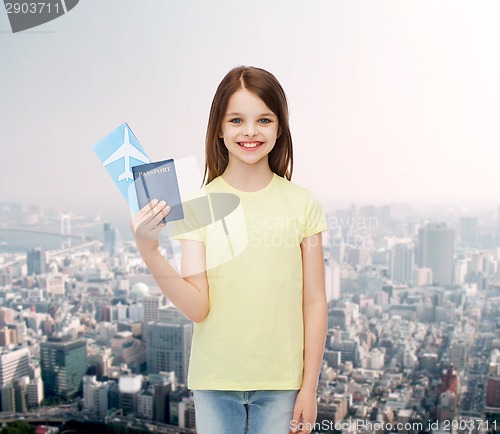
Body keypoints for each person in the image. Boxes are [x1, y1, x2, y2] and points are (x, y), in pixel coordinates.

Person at [131, 66, 328, 434]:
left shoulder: (303, 205)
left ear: (280, 128)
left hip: (283, 381)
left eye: (263, 119)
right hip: (214, 381)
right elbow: (197, 306)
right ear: (219, 129)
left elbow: (314, 301)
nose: (250, 131)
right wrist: (150, 251)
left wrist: (310, 387)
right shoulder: (196, 204)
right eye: (236, 119)